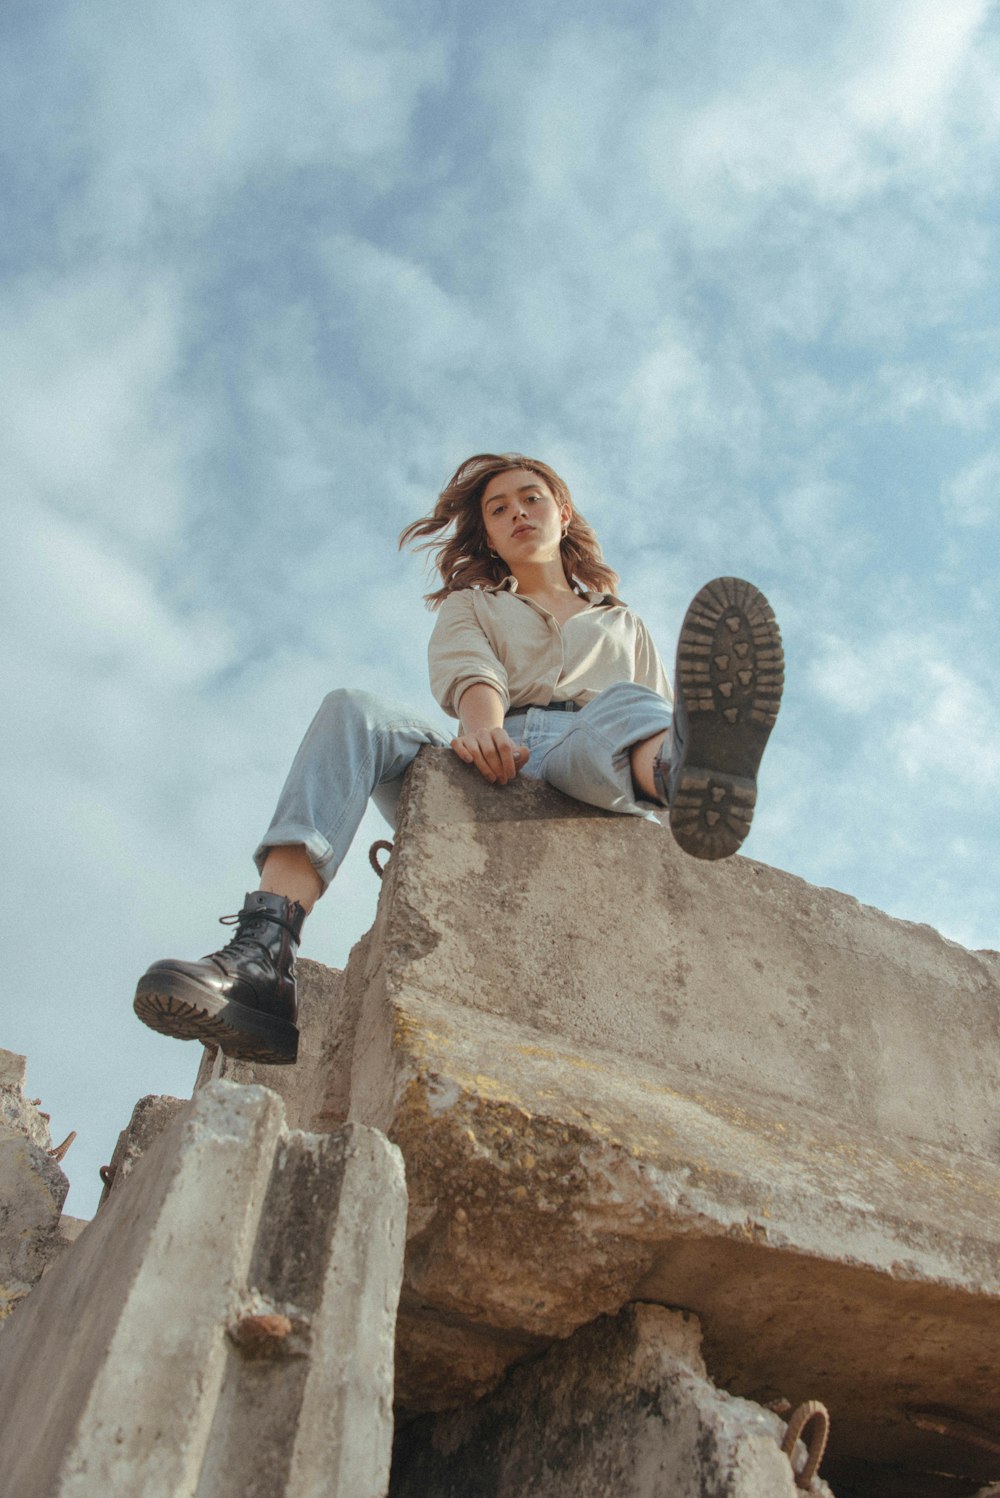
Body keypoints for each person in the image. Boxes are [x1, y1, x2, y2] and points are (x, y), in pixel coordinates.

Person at [134, 453, 783, 1066]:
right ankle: (262, 958)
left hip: (595, 760)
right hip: (494, 751)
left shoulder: (623, 624)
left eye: (532, 499)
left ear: (563, 512)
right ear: (489, 538)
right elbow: (472, 672)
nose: (518, 513)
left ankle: (680, 773)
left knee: (631, 706)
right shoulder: (474, 605)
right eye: (499, 510)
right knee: (354, 707)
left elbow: (653, 705)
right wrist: (483, 730)